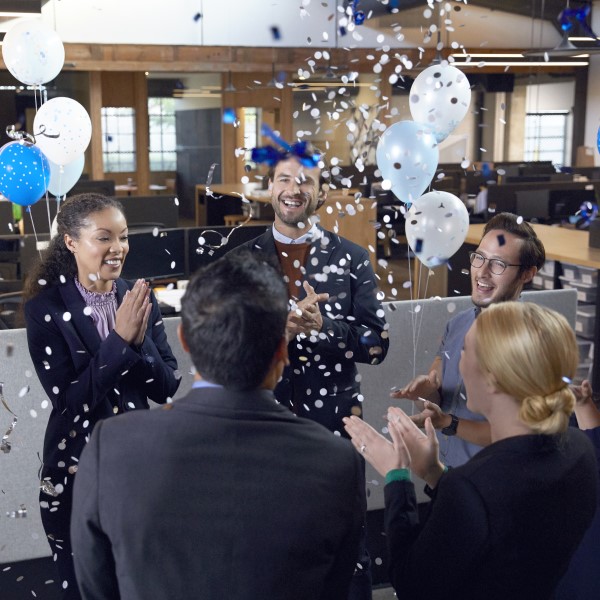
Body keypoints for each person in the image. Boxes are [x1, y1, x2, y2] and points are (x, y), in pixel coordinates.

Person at [70, 250, 366, 600]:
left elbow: (95, 587)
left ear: (185, 341)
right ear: (282, 352)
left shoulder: (112, 447)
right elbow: (337, 587)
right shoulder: (338, 461)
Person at [344, 301, 598, 599]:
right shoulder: (580, 449)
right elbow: (500, 525)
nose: (458, 363)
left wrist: (397, 478)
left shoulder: (469, 488)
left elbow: (413, 583)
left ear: (491, 379)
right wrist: (433, 472)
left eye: (464, 351)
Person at [232, 152, 389, 598]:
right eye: (284, 179)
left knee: (345, 542)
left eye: (306, 180)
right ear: (269, 188)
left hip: (336, 428)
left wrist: (325, 329)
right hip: (265, 424)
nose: (294, 189)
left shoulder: (354, 259)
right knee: (268, 541)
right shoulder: (241, 263)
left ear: (320, 192)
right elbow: (229, 348)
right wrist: (274, 332)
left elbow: (378, 345)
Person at [23, 193, 180, 600]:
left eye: (124, 237)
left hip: (140, 466)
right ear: (71, 242)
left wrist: (136, 346)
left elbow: (166, 385)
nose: (118, 248)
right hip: (77, 472)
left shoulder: (139, 295)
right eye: (104, 237)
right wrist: (120, 341)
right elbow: (71, 404)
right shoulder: (46, 309)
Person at [394, 212, 545, 466]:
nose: (482, 273)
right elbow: (440, 400)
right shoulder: (458, 324)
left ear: (527, 274)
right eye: (479, 258)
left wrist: (448, 423)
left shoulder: (532, 340)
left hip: (496, 482)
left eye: (499, 264)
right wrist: (426, 393)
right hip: (450, 473)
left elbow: (520, 432)